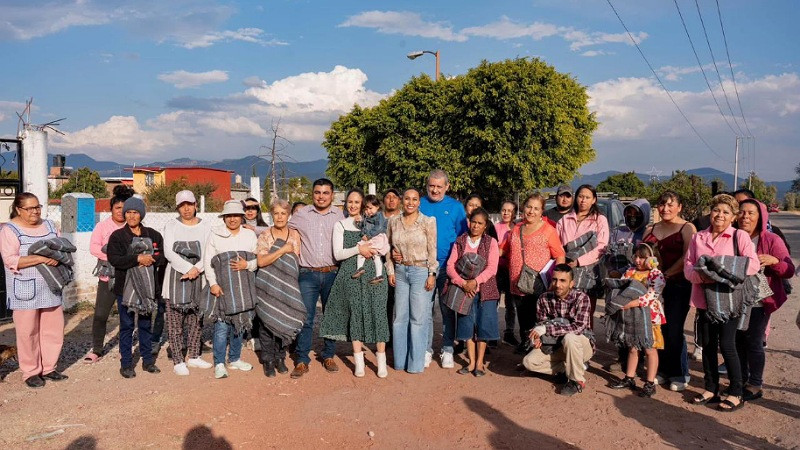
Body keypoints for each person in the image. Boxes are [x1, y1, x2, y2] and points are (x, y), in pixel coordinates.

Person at [685, 194, 759, 411]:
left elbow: (752, 265)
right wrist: (701, 276)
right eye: (717, 210)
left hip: (729, 302)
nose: (720, 215)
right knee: (707, 344)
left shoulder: (739, 237)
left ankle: (736, 391)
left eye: (726, 212)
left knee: (728, 345)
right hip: (704, 298)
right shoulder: (698, 237)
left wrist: (722, 273)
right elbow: (689, 266)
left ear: (734, 217)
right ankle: (711, 388)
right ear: (711, 212)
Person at [0, 193, 68, 388]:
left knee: (53, 330)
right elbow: (11, 260)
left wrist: (58, 256)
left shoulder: (50, 226)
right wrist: (40, 258)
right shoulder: (10, 230)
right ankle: (30, 371)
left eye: (37, 207)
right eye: (29, 208)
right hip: (25, 289)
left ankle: (49, 367)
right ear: (19, 210)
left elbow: (62, 247)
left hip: (50, 286)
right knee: (27, 332)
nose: (35, 212)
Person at [322, 189, 390, 378]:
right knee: (356, 314)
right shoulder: (340, 225)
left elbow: (385, 242)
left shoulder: (372, 221)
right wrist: (360, 248)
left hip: (375, 273)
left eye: (356, 202)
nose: (352, 205)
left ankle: (381, 361)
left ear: (363, 204)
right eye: (349, 202)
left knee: (378, 313)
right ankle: (359, 361)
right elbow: (338, 254)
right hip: (351, 273)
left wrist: (374, 249)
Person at [734, 198, 794, 401]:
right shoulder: (731, 236)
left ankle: (755, 384)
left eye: (751, 213)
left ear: (760, 217)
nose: (745, 217)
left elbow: (789, 269)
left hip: (759, 301)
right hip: (733, 300)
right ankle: (740, 380)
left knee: (754, 341)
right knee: (736, 342)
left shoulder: (771, 239)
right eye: (741, 212)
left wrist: (774, 261)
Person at [288, 178, 344, 378]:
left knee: (331, 316)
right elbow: (281, 230)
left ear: (332, 195)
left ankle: (328, 355)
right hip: (308, 274)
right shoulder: (302, 215)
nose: (321, 196)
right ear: (312, 194)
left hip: (332, 272)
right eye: (317, 192)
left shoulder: (340, 215)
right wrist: (254, 230)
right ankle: (302, 359)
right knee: (306, 317)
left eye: (325, 192)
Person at [107, 196, 167, 379]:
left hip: (148, 289)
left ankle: (148, 361)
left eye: (135, 212)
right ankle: (126, 363)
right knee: (126, 325)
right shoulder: (118, 236)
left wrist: (151, 259)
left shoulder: (153, 235)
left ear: (141, 214)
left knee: (145, 325)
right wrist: (137, 259)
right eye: (128, 212)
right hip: (125, 289)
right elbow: (114, 259)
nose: (132, 216)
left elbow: (162, 257)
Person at [643, 191, 696, 391]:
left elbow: (688, 257)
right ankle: (662, 370)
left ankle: (680, 372)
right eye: (662, 204)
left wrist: (665, 274)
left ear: (679, 207)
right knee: (658, 328)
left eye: (670, 204)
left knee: (674, 329)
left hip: (678, 285)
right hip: (653, 287)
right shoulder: (650, 228)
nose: (665, 208)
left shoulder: (687, 228)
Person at [503, 193, 566, 354]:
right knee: (522, 314)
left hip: (538, 282)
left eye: (536, 208)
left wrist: (557, 278)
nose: (531, 211)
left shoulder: (548, 230)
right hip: (517, 282)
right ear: (523, 208)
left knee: (537, 316)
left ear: (542, 211)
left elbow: (559, 255)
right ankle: (525, 342)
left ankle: (536, 348)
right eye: (529, 207)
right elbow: (504, 250)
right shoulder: (516, 228)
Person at [418, 169, 467, 369]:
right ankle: (426, 349)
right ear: (427, 186)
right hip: (423, 265)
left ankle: (447, 348)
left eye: (439, 186)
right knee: (425, 310)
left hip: (447, 266)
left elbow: (463, 237)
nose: (435, 190)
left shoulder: (456, 207)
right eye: (432, 186)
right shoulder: (419, 204)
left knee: (447, 310)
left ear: (447, 187)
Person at [204, 200, 258, 379]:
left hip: (244, 288)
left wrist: (247, 264)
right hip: (223, 288)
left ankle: (235, 358)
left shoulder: (249, 236)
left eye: (236, 215)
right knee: (221, 327)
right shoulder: (215, 235)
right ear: (224, 217)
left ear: (242, 217)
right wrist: (213, 283)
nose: (232, 219)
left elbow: (258, 259)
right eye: (229, 216)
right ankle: (219, 362)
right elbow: (208, 261)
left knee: (239, 325)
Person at [386, 188, 438, 374]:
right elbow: (389, 246)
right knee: (399, 317)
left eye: (414, 199)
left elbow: (432, 249)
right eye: (407, 198)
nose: (410, 202)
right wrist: (390, 268)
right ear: (402, 200)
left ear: (419, 202)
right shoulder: (393, 221)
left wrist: (432, 273)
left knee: (418, 318)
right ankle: (399, 361)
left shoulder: (428, 222)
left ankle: (415, 364)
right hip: (400, 271)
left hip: (421, 271)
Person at [161, 190, 213, 376]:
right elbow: (168, 252)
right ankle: (177, 360)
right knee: (175, 322)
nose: (186, 209)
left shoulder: (206, 226)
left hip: (198, 277)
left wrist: (196, 269)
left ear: (195, 205)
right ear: (177, 207)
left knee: (196, 320)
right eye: (182, 205)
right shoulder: (171, 225)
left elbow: (208, 250)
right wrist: (187, 269)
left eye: (189, 204)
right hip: (176, 278)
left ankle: (194, 355)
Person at [522, 264, 594, 397]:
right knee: (528, 362)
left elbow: (578, 327)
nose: (557, 284)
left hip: (581, 345)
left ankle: (576, 380)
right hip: (555, 345)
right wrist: (538, 337)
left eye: (562, 281)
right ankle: (567, 369)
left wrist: (546, 329)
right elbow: (541, 324)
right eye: (554, 280)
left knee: (570, 337)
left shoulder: (581, 298)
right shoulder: (544, 298)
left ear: (571, 283)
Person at [445, 207, 500, 377]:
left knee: (483, 325)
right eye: (473, 222)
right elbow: (450, 266)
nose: (475, 226)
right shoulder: (460, 241)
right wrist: (463, 283)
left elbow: (492, 268)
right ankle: (470, 362)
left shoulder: (491, 242)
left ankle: (479, 363)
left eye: (480, 223)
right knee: (467, 324)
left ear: (485, 226)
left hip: (486, 289)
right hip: (464, 290)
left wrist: (475, 282)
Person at [84, 185, 134, 363]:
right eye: (117, 208)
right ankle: (97, 349)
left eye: (124, 208)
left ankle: (124, 348)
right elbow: (94, 248)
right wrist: (116, 257)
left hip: (128, 278)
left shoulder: (133, 227)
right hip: (107, 277)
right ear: (111, 208)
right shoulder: (103, 226)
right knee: (100, 315)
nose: (121, 212)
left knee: (126, 315)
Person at [609, 243, 666, 398]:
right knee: (633, 347)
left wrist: (631, 303)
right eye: (636, 256)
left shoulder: (656, 275)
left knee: (649, 349)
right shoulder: (630, 271)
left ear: (653, 259)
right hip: (632, 315)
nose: (638, 260)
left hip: (649, 317)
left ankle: (650, 383)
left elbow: (652, 295)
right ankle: (629, 377)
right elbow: (622, 286)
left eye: (643, 257)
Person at [255, 199, 302, 377]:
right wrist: (282, 250)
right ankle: (268, 359)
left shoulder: (294, 235)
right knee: (266, 323)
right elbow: (261, 261)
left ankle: (280, 357)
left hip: (288, 285)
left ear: (288, 215)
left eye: (283, 213)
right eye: (276, 213)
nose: (280, 217)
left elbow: (296, 260)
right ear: (272, 215)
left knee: (285, 318)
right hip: (268, 285)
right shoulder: (265, 235)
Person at [556, 184, 609, 330]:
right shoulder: (564, 220)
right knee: (565, 310)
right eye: (580, 196)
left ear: (594, 200)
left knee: (586, 312)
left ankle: (587, 345)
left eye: (587, 197)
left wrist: (579, 261)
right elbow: (558, 245)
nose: (583, 200)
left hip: (589, 274)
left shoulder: (600, 220)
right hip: (567, 271)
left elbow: (602, 247)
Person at [495, 200, 518, 346]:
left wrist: (503, 251)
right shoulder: (495, 227)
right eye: (504, 210)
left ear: (514, 213)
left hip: (511, 270)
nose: (506, 213)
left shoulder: (517, 228)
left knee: (511, 303)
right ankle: (492, 333)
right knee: (494, 302)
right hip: (496, 270)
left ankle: (509, 332)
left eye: (509, 211)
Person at [352, 194, 389, 285]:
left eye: (370, 208)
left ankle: (362, 268)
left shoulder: (379, 215)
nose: (368, 211)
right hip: (371, 238)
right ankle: (377, 274)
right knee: (373, 255)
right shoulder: (366, 216)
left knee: (362, 248)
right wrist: (358, 223)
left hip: (377, 238)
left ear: (377, 207)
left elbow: (379, 227)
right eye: (366, 209)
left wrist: (368, 236)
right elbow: (363, 227)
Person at [382, 188, 402, 339]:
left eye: (394, 197)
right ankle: (386, 335)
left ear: (399, 201)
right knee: (385, 302)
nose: (391, 200)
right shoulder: (376, 218)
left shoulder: (404, 219)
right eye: (388, 197)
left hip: (400, 265)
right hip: (379, 265)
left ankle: (399, 336)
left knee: (400, 302)